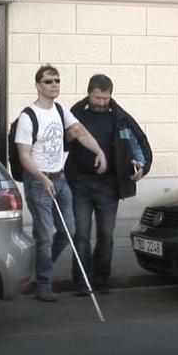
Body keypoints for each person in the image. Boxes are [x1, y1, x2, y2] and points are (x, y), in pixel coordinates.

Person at [15, 65, 107, 302]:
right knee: (45, 234)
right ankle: (43, 284)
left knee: (69, 231)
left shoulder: (60, 110)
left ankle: (39, 273)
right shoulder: (28, 116)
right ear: (38, 85)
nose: (54, 85)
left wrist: (99, 152)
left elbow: (80, 132)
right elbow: (24, 156)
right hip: (38, 181)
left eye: (57, 80)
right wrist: (42, 178)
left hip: (60, 178)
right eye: (48, 81)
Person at [66, 74, 152, 295]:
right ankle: (82, 282)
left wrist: (142, 167)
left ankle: (102, 280)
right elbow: (61, 144)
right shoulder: (75, 113)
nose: (102, 102)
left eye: (105, 98)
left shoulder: (120, 116)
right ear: (89, 93)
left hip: (109, 185)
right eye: (97, 98)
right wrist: (69, 137)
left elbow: (139, 141)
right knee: (82, 235)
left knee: (106, 235)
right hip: (80, 183)